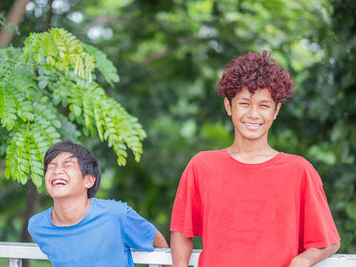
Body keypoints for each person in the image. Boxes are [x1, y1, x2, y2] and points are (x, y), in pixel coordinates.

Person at [170, 51, 340, 267]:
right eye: (244, 103)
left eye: (264, 105)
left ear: (276, 111)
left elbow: (329, 241)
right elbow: (181, 232)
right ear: (228, 106)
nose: (253, 114)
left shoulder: (299, 170)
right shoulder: (201, 166)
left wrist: (303, 261)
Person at [28, 140, 169, 267]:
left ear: (88, 180)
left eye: (68, 165)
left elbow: (160, 244)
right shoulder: (37, 226)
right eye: (51, 166)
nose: (57, 171)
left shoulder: (117, 215)